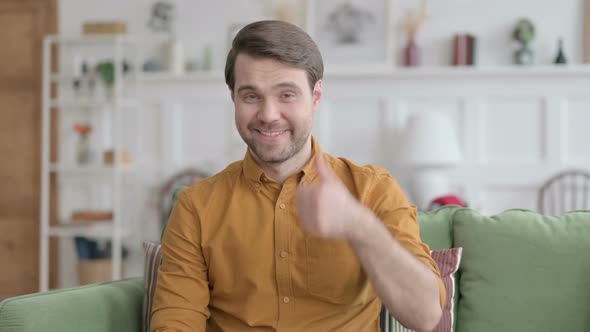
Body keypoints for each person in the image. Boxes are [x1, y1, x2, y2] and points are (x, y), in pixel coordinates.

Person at [151, 20, 445, 332]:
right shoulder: (196, 206)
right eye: (251, 96)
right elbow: (176, 321)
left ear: (315, 96)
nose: (268, 114)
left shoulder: (373, 189)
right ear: (233, 96)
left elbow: (425, 316)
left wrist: (359, 226)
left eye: (286, 95)